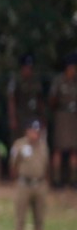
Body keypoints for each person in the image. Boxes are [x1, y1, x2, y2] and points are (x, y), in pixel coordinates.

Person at [10, 119, 49, 230]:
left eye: (37, 131)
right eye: (33, 130)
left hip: (39, 184)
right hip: (24, 184)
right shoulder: (20, 145)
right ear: (27, 131)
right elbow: (13, 164)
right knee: (21, 217)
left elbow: (46, 165)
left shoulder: (43, 146)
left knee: (39, 219)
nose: (35, 134)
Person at [50, 58, 77, 188]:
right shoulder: (59, 81)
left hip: (74, 119)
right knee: (58, 149)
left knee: (74, 150)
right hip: (61, 117)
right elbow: (52, 100)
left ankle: (73, 180)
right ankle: (56, 180)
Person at [6, 55, 45, 137]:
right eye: (26, 67)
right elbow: (11, 99)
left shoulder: (35, 80)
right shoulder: (16, 79)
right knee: (19, 139)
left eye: (30, 67)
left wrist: (42, 117)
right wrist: (13, 118)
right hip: (20, 115)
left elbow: (39, 99)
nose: (28, 70)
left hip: (33, 115)